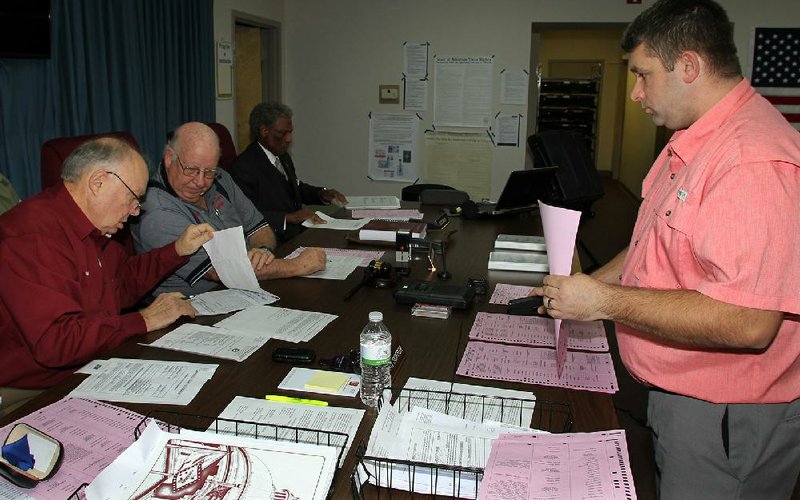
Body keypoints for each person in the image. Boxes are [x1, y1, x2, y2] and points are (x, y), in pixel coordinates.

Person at [532, 1, 800, 498]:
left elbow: (749, 321)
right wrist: (589, 284)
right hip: (686, 397)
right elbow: (646, 250)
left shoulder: (749, 161)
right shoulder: (693, 145)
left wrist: (603, 302)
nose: (635, 93)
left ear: (690, 66)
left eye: (643, 75)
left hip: (725, 414)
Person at [0, 137, 214, 415]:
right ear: (98, 182)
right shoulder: (31, 235)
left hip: (85, 369)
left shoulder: (96, 230)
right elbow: (56, 343)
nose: (136, 210)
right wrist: (144, 319)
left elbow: (121, 284)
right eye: (133, 197)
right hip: (26, 391)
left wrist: (176, 250)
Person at [132, 122, 326, 297]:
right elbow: (223, 271)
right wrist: (298, 266)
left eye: (209, 171)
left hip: (244, 290)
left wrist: (262, 251)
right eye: (191, 170)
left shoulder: (221, 178)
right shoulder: (157, 212)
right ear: (169, 158)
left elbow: (260, 228)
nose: (200, 182)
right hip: (193, 311)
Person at [230, 102, 348, 242]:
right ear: (264, 131)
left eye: (290, 132)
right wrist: (288, 218)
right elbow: (245, 214)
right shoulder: (244, 167)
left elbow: (294, 187)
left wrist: (322, 194)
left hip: (298, 234)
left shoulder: (282, 156)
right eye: (282, 133)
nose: (289, 139)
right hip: (273, 242)